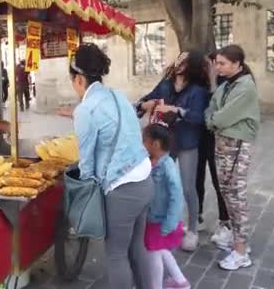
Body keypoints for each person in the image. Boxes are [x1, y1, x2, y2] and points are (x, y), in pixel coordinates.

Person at [66, 43, 153, 289]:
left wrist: (84, 188)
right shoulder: (117, 94)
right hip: (145, 179)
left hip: (122, 189)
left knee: (116, 255)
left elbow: (87, 163)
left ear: (79, 79)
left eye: (73, 81)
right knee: (137, 248)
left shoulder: (85, 109)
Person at [139, 51, 211, 252]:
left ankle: (193, 229)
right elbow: (147, 99)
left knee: (188, 187)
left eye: (185, 61)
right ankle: (161, 222)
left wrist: (177, 110)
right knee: (159, 181)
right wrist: (144, 105)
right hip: (164, 142)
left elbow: (199, 117)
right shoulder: (165, 84)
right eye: (178, 58)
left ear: (192, 66)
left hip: (187, 142)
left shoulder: (197, 90)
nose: (179, 63)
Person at [204, 44, 260, 271]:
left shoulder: (245, 87)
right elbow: (211, 108)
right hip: (223, 143)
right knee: (226, 192)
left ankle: (241, 249)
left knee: (236, 195)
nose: (217, 67)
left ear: (237, 64)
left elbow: (221, 118)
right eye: (217, 63)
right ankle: (236, 239)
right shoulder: (226, 85)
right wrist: (213, 118)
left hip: (236, 145)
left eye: (222, 63)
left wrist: (213, 120)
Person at [143, 123, 190, 289]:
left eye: (145, 141)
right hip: (154, 218)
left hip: (160, 220)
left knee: (153, 253)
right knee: (161, 250)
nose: (143, 144)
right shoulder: (152, 160)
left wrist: (170, 222)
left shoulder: (167, 166)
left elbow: (177, 195)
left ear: (155, 144)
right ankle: (180, 281)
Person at [197, 52, 231, 247]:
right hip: (200, 138)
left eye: (216, 64)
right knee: (197, 178)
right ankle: (198, 216)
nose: (213, 67)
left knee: (219, 183)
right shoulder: (197, 83)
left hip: (217, 140)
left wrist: (212, 80)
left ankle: (225, 223)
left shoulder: (225, 84)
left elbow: (217, 107)